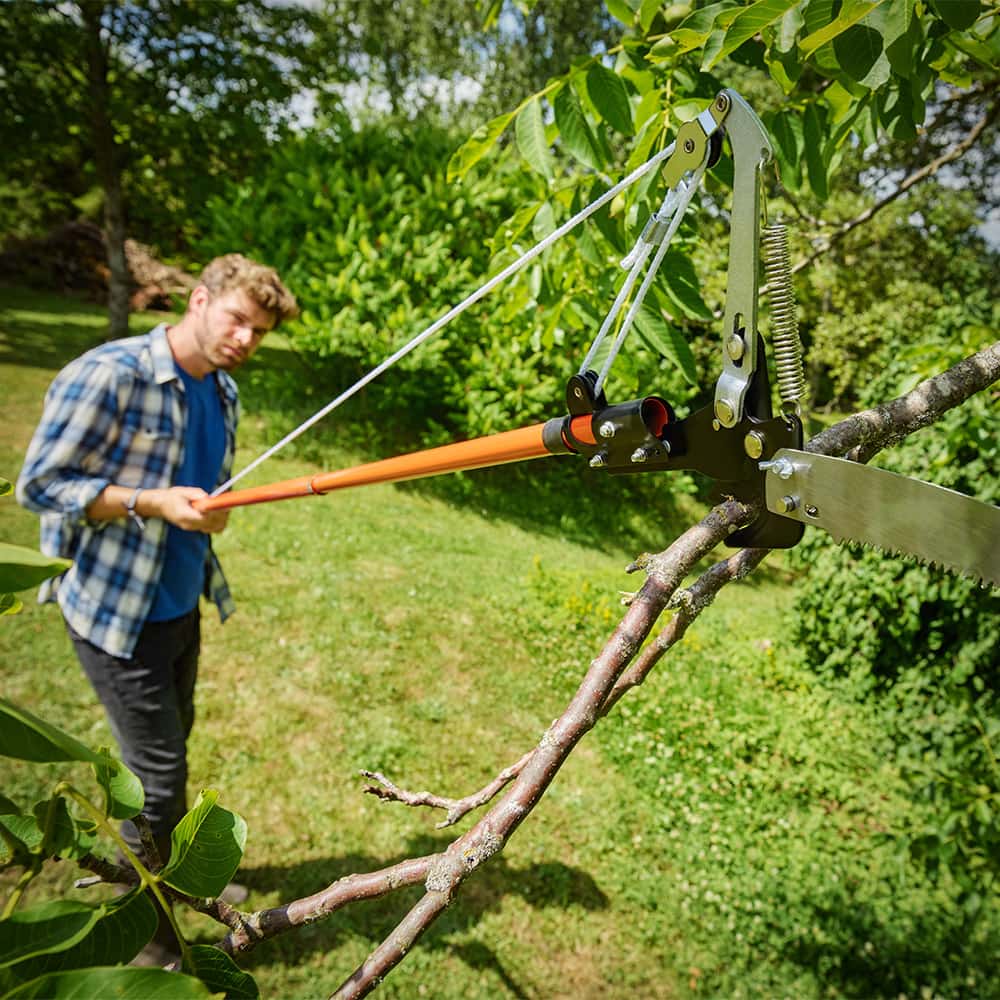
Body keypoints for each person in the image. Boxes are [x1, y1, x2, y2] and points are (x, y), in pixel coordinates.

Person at [17, 253, 298, 964]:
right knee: (159, 777)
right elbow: (41, 486)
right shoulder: (112, 373)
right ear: (198, 299)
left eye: (259, 332)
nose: (244, 340)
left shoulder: (223, 392)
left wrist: (213, 510)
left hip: (179, 602)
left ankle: (175, 880)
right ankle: (151, 939)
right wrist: (149, 500)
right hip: (115, 614)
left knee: (171, 754)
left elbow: (209, 486)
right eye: (237, 319)